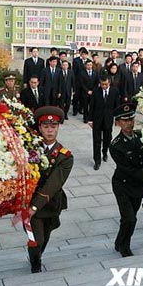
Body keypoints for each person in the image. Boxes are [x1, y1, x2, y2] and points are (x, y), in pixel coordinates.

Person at [28, 106, 73, 273]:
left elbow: (54, 184)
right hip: (31, 204)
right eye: (45, 126)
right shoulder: (30, 150)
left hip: (52, 204)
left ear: (58, 127)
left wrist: (35, 206)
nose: (49, 130)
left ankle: (37, 256)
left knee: (45, 237)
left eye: (53, 126)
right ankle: (35, 264)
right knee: (37, 239)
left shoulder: (65, 156)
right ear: (39, 128)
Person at [109, 102, 143, 257]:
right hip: (123, 185)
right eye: (124, 120)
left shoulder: (141, 136)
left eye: (131, 119)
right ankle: (125, 247)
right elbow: (129, 169)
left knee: (128, 218)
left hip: (138, 186)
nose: (129, 123)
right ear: (118, 123)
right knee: (130, 219)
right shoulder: (116, 145)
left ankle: (119, 242)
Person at [88, 76, 120, 170]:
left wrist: (117, 119)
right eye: (102, 84)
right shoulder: (96, 91)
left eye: (106, 84)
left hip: (108, 119)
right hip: (97, 119)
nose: (104, 86)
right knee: (96, 140)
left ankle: (105, 152)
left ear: (109, 82)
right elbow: (92, 105)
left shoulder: (114, 91)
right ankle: (97, 161)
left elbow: (117, 106)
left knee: (107, 139)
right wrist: (90, 120)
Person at [72, 47, 89, 116]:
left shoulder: (89, 61)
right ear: (81, 54)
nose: (84, 55)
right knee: (76, 97)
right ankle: (75, 110)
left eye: (85, 54)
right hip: (78, 82)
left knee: (83, 97)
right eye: (83, 54)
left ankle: (80, 109)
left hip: (85, 83)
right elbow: (74, 72)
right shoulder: (76, 60)